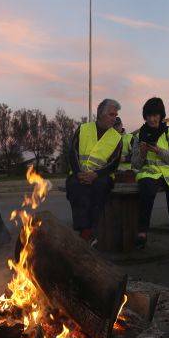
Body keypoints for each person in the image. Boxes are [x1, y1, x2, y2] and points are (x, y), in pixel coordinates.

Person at [131, 97, 169, 268]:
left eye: (155, 115)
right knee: (146, 191)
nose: (152, 119)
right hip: (151, 175)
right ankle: (142, 232)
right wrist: (143, 153)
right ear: (145, 117)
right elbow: (135, 164)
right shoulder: (138, 136)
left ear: (161, 115)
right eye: (149, 115)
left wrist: (157, 150)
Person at [66, 99, 123, 245]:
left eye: (116, 115)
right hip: (80, 174)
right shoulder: (83, 129)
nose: (114, 118)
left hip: (102, 176)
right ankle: (86, 231)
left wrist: (95, 175)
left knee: (98, 189)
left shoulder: (117, 138)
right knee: (75, 187)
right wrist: (78, 172)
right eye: (111, 114)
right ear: (100, 114)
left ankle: (87, 232)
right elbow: (72, 152)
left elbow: (113, 164)